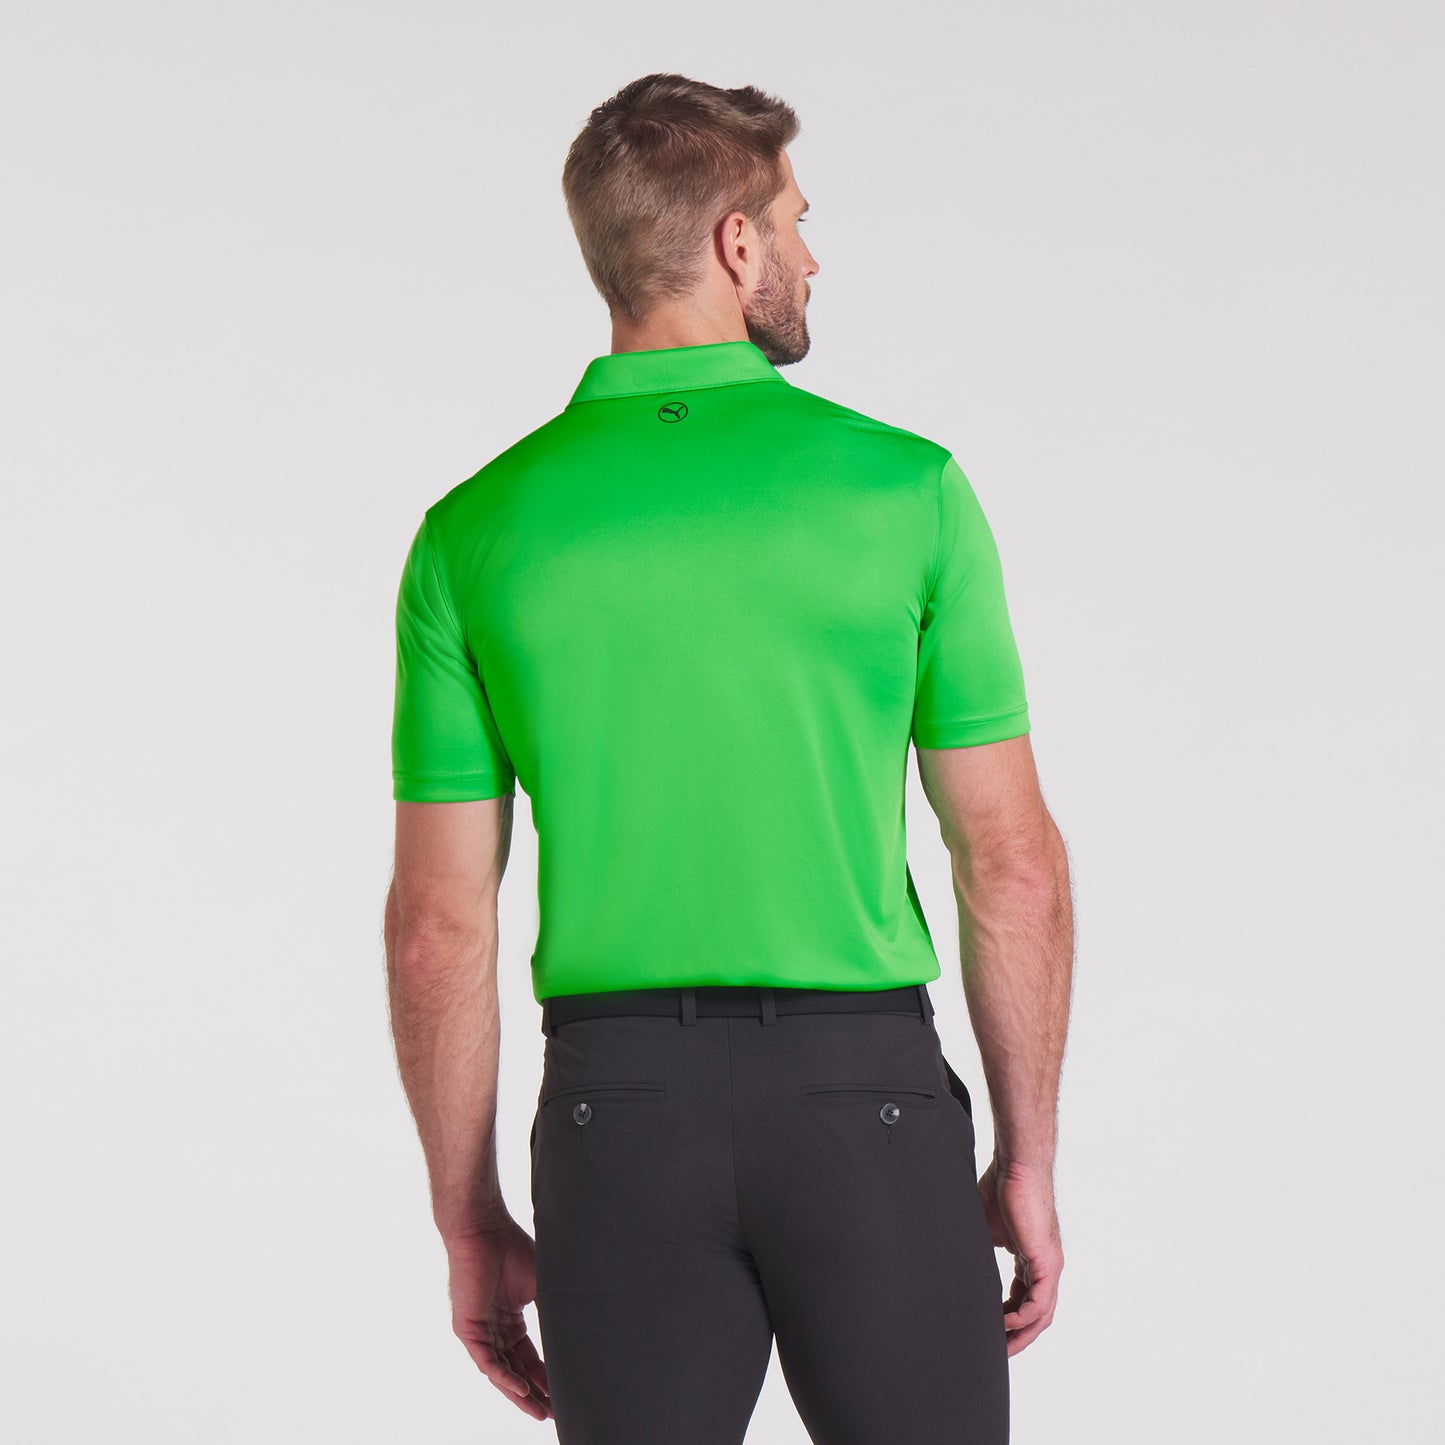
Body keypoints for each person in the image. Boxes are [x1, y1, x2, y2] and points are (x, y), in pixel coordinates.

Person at [383, 71, 1073, 1444]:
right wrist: (1026, 1159)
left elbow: (436, 929)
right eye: (798, 220)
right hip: (865, 1101)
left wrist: (468, 1219)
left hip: (616, 1115)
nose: (813, 255)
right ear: (735, 242)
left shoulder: (473, 531)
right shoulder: (907, 489)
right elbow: (1011, 866)